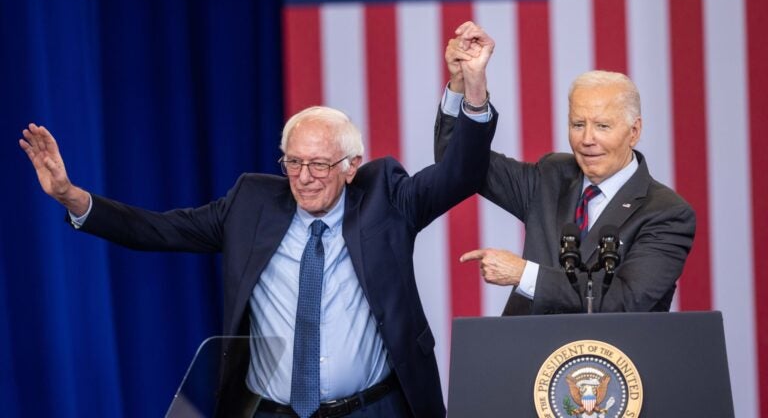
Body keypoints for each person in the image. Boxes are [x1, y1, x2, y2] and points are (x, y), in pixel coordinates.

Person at [18, 32, 496, 418]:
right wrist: (73, 197)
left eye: (319, 165)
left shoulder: (386, 199)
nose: (304, 178)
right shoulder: (252, 205)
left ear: (352, 165)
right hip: (272, 411)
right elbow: (159, 230)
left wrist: (472, 89)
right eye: (293, 162)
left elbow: (463, 174)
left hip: (374, 407)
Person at [435, 22, 695, 316]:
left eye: (602, 126)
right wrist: (468, 85)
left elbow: (626, 300)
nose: (587, 140)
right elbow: (457, 166)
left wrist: (524, 275)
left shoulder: (666, 212)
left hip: (609, 359)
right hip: (529, 356)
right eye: (578, 125)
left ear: (634, 131)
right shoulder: (552, 176)